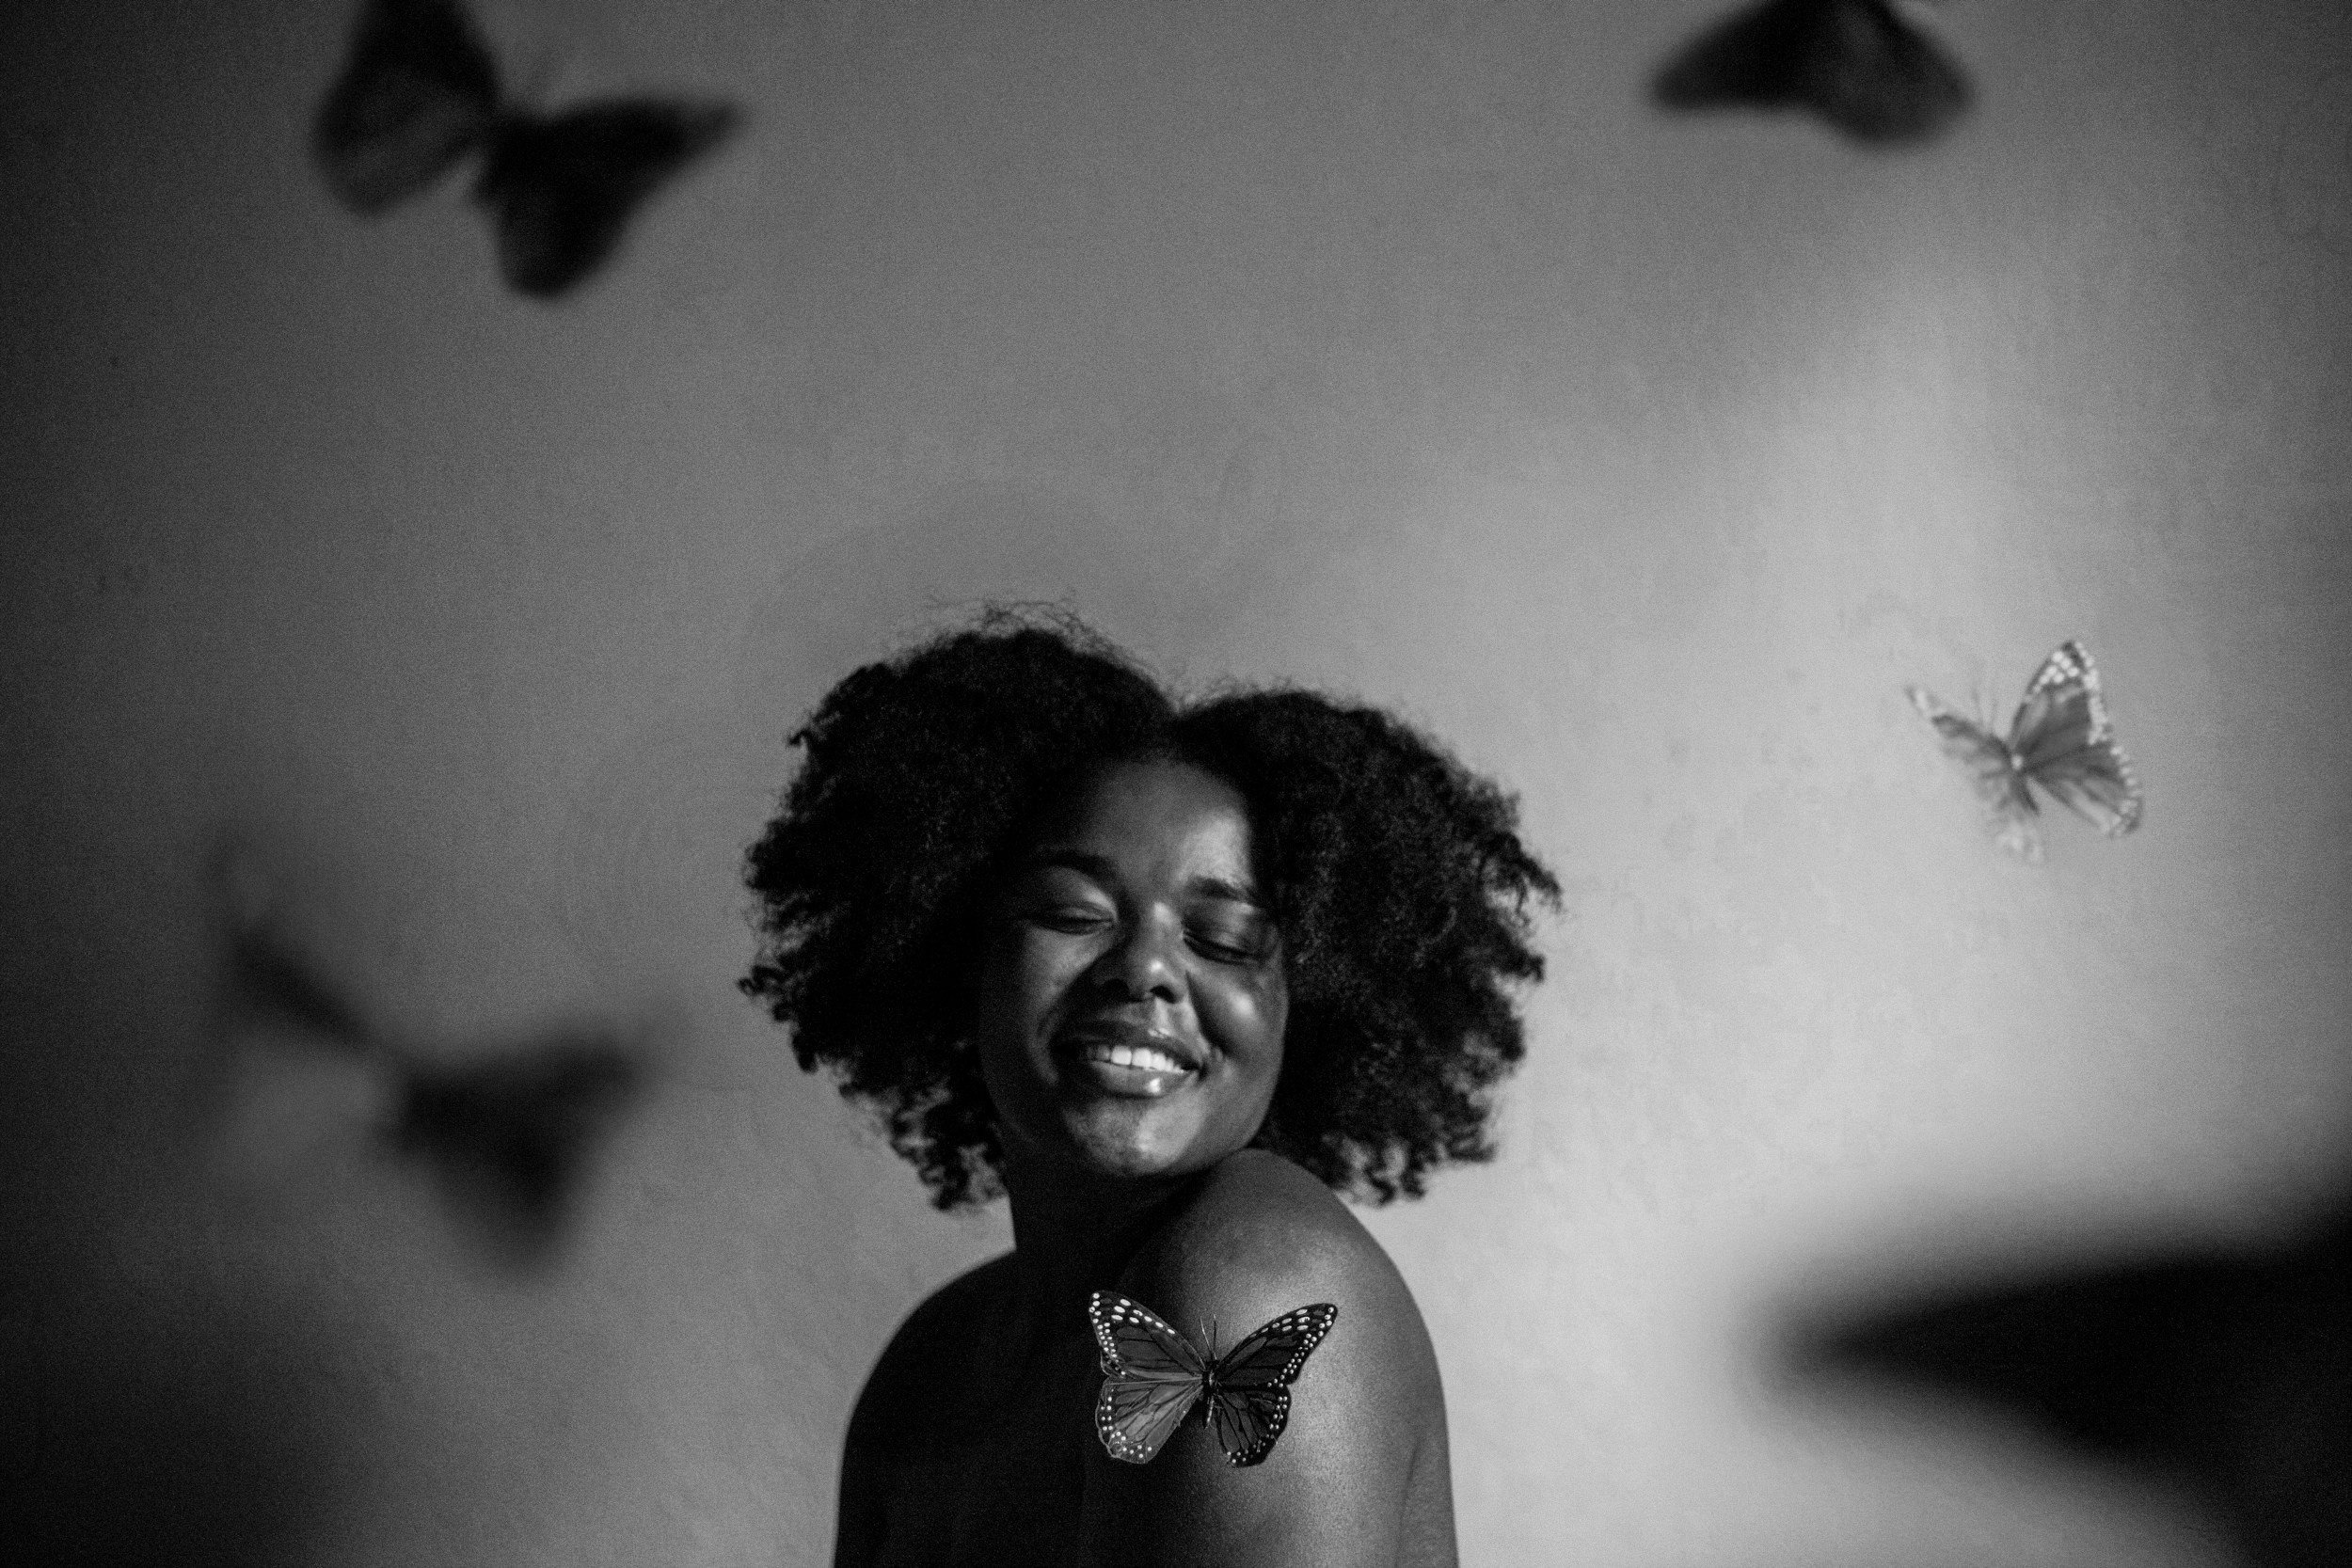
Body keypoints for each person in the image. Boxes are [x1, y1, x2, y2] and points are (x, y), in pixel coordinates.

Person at [741, 610, 1557, 1567]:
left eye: (1220, 938)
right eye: (1072, 912)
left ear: (1310, 1001)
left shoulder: (1251, 1283)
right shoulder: (941, 1359)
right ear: (958, 945)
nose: (1145, 970)